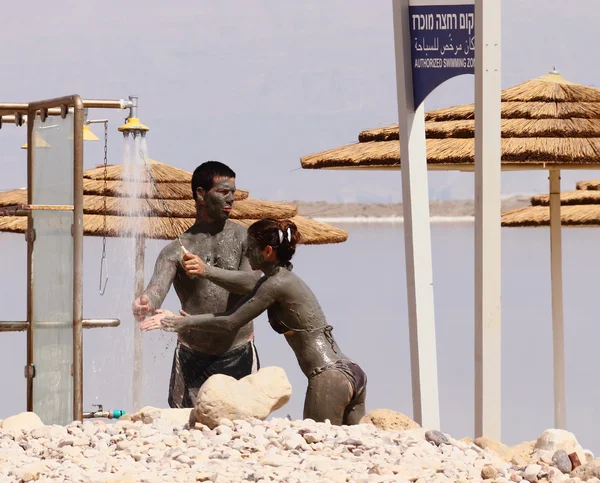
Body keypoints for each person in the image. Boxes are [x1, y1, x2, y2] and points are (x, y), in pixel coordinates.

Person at [142, 218, 367, 425]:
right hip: (349, 371)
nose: (246, 252)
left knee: (318, 450)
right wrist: (186, 319)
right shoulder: (280, 279)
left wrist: (176, 323)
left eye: (250, 247)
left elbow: (231, 322)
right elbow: (233, 314)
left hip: (327, 377)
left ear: (267, 251)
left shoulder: (275, 284)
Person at [133, 161, 262, 408]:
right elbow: (156, 290)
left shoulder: (245, 238)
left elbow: (251, 282)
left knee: (243, 423)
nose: (231, 199)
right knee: (185, 427)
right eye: (223, 192)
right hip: (192, 352)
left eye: (233, 192)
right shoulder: (174, 249)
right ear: (201, 194)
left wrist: (207, 271)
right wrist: (145, 303)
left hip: (238, 350)